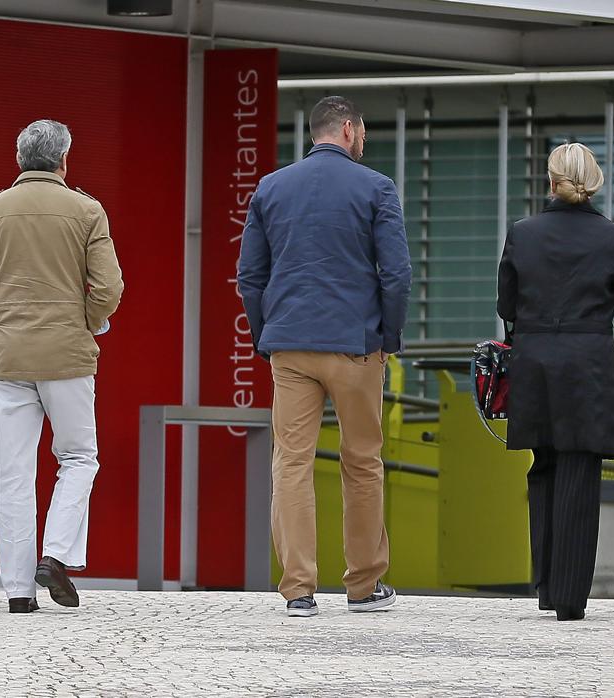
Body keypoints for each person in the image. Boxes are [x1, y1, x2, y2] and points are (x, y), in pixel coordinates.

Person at [237, 96, 411, 618]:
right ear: (352, 131)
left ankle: (298, 590)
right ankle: (362, 585)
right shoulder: (376, 187)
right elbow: (396, 274)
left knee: (291, 463)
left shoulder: (271, 187)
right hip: (356, 345)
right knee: (362, 463)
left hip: (290, 346)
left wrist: (267, 334)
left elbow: (250, 277)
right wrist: (389, 336)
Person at [0, 119, 123, 615]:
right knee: (78, 457)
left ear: (18, 160)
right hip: (68, 356)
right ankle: (55, 554)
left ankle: (17, 591)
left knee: (13, 470)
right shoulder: (87, 211)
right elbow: (109, 288)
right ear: (64, 160)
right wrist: (85, 322)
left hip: (7, 357)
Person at [497, 142, 614, 622]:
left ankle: (544, 584)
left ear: (550, 181)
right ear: (594, 182)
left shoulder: (522, 234)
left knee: (542, 465)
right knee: (580, 475)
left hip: (536, 361)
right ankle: (569, 596)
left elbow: (507, 305)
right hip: (589, 365)